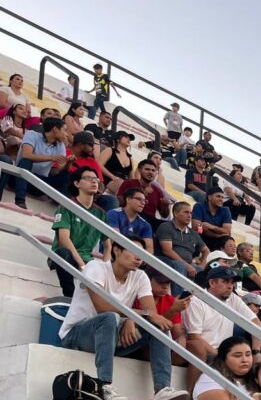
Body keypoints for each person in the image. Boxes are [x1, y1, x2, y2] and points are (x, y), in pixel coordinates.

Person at [58, 235, 188, 400]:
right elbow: (102, 308)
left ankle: (162, 388)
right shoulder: (96, 267)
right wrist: (133, 316)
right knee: (109, 318)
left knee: (157, 326)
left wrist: (131, 320)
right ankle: (104, 385)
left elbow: (152, 313)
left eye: (142, 253)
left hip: (110, 338)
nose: (138, 257)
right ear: (116, 250)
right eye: (133, 251)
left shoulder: (140, 276)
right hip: (77, 335)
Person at [182, 266, 259, 390]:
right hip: (204, 350)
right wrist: (221, 355)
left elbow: (256, 322)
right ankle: (191, 396)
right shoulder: (196, 301)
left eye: (232, 283)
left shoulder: (232, 298)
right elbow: (194, 337)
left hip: (224, 352)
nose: (230, 286)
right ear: (212, 283)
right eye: (225, 282)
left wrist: (256, 352)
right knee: (237, 361)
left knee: (260, 366)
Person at [49, 166, 110, 297]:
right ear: (77, 183)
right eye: (88, 178)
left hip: (88, 260)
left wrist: (106, 268)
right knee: (63, 253)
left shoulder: (101, 213)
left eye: (96, 179)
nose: (94, 182)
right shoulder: (67, 206)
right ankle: (69, 296)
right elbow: (63, 239)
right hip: (66, 258)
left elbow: (108, 245)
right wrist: (82, 266)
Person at [2, 116, 68, 208]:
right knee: (26, 161)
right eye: (64, 130)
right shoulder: (32, 135)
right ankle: (20, 200)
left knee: (66, 175)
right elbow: (26, 155)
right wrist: (52, 158)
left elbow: (59, 169)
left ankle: (65, 210)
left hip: (38, 182)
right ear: (55, 129)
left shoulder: (60, 145)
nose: (67, 134)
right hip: (19, 178)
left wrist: (69, 163)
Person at [106, 187, 154, 253]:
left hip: (131, 259)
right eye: (139, 199)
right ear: (128, 199)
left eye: (144, 201)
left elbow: (149, 249)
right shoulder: (113, 214)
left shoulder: (146, 225)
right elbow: (114, 239)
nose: (143, 203)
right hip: (108, 255)